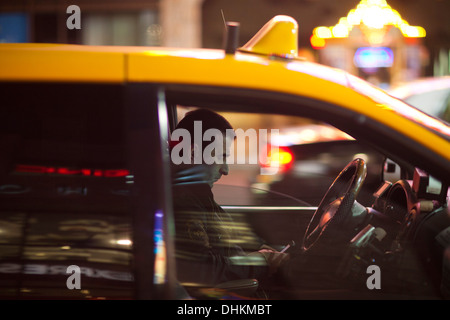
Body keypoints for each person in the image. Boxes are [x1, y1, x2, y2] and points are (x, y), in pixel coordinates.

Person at [170, 108, 289, 289]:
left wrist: (263, 249)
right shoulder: (183, 202)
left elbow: (229, 237)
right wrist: (259, 261)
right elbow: (202, 270)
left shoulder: (198, 196)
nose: (225, 170)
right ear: (192, 153)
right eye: (220, 157)